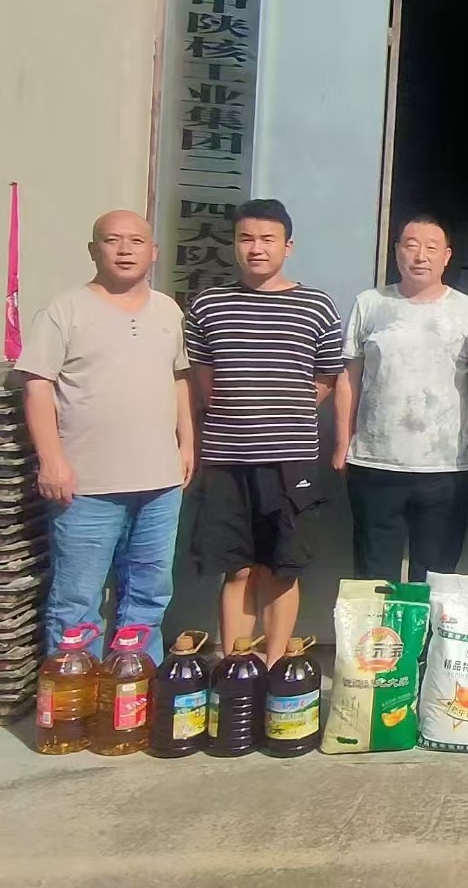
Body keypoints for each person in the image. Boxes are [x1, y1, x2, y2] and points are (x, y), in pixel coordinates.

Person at [16, 210, 193, 664]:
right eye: (113, 240)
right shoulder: (65, 309)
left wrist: (186, 444)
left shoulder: (168, 310)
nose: (125, 250)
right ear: (94, 250)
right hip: (86, 485)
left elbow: (179, 379)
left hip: (159, 483)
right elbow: (37, 384)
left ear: (153, 252)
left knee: (150, 595)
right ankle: (75, 696)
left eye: (136, 241)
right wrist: (51, 459)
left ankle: (133, 690)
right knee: (77, 601)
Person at [184, 199, 343, 665]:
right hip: (226, 459)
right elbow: (204, 382)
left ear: (287, 246)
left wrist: (282, 413)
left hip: (289, 461)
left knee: (281, 569)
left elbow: (325, 378)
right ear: (234, 245)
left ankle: (272, 669)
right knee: (235, 570)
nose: (257, 248)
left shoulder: (317, 305)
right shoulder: (208, 305)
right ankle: (237, 669)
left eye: (268, 239)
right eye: (246, 239)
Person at [334, 214, 468, 583]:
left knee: (434, 578)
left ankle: (424, 627)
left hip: (444, 468)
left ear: (447, 256)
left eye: (431, 248)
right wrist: (342, 442)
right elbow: (348, 378)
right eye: (411, 246)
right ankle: (378, 625)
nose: (420, 256)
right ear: (397, 251)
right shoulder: (370, 303)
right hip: (375, 463)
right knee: (373, 576)